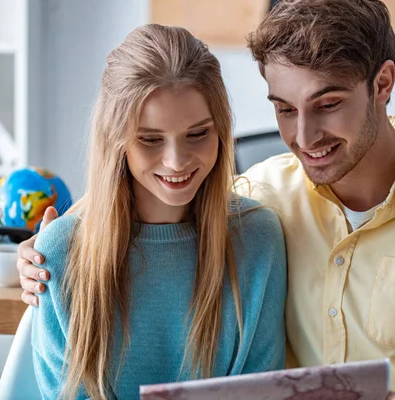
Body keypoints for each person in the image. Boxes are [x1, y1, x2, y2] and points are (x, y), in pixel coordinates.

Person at [18, 0, 395, 399]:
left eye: (328, 103)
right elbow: (158, 188)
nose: (304, 136)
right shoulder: (264, 197)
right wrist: (50, 244)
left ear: (383, 82)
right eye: (284, 109)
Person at [26, 24, 287, 400]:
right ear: (116, 139)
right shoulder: (60, 252)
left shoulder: (259, 239)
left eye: (198, 134)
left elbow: (261, 390)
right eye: (150, 139)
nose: (176, 161)